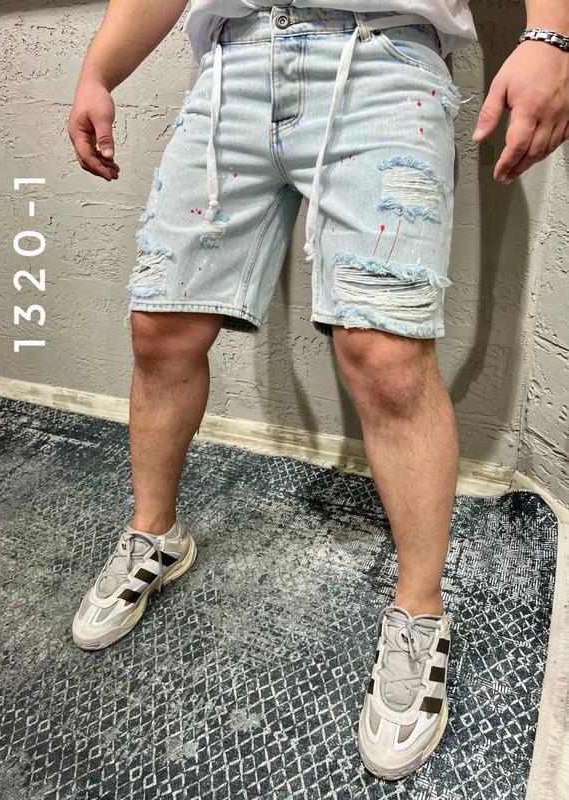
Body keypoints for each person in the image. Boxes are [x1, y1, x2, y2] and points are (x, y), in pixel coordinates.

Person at [67, 0, 569, 781]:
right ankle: (155, 534)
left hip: (383, 63)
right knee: (161, 327)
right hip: (233, 65)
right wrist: (99, 69)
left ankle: (420, 612)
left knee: (386, 356)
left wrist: (549, 35)